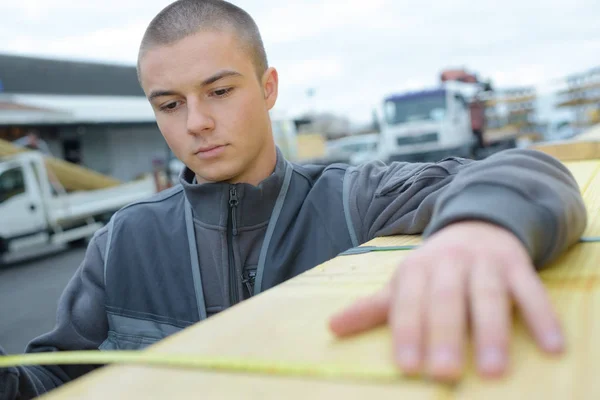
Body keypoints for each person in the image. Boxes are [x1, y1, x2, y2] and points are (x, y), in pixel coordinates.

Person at [0, 0, 587, 398]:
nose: (197, 122)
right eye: (170, 104)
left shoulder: (354, 199)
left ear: (269, 87)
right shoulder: (122, 243)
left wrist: (479, 228)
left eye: (219, 91)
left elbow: (530, 170)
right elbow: (56, 376)